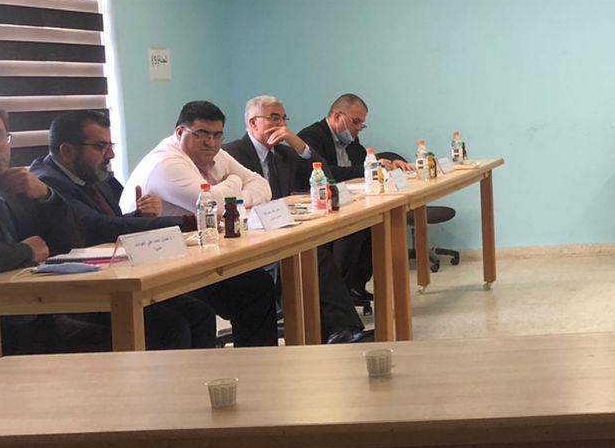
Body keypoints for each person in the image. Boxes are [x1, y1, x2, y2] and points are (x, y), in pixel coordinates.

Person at [27, 109, 217, 351]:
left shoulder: (95, 175)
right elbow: (96, 227)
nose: (111, 154)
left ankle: (201, 375)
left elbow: (114, 222)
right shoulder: (47, 181)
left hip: (114, 278)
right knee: (172, 326)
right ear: (67, 151)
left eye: (111, 145)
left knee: (199, 312)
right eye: (100, 147)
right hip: (78, 292)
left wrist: (139, 216)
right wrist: (186, 222)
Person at [121, 101, 280, 346]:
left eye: (217, 135)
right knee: (198, 311)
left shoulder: (215, 154)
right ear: (180, 132)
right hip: (156, 267)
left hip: (196, 257)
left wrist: (233, 197)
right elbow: (213, 203)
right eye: (202, 134)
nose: (211, 142)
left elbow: (262, 187)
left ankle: (257, 363)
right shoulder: (167, 162)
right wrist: (235, 181)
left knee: (257, 286)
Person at [222, 95, 371, 344]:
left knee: (316, 252)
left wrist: (299, 145)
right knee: (309, 257)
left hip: (283, 232)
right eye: (273, 118)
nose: (280, 124)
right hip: (250, 239)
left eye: (283, 118)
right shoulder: (231, 154)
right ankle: (338, 330)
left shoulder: (284, 153)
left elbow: (325, 175)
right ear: (253, 122)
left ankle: (340, 329)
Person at [298, 94, 410, 298]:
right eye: (356, 122)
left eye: (361, 124)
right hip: (320, 205)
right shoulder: (311, 136)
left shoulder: (350, 138)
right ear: (338, 116)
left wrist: (387, 164)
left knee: (377, 224)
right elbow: (327, 172)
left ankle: (355, 285)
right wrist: (367, 168)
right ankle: (338, 292)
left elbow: (364, 162)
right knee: (354, 230)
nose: (359, 128)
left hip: (349, 200)